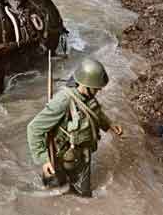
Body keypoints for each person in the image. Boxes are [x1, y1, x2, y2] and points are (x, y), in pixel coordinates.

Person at [27, 58, 123, 197]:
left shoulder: (88, 96)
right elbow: (34, 128)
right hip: (62, 160)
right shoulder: (63, 101)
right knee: (55, 197)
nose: (99, 90)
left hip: (83, 157)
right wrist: (44, 160)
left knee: (84, 197)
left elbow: (94, 112)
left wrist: (109, 125)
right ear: (85, 84)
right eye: (96, 88)